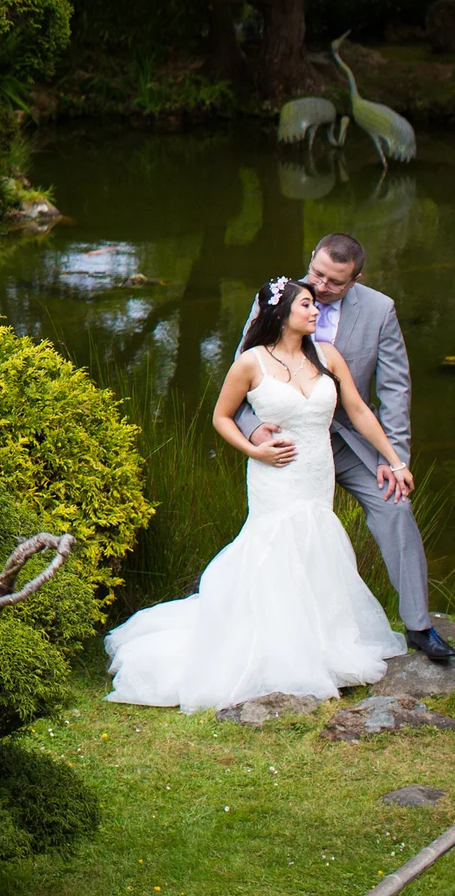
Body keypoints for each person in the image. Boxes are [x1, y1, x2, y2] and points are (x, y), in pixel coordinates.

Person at [103, 277, 407, 710]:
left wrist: (394, 460)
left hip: (317, 474)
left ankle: (321, 642)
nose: (316, 311)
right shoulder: (250, 362)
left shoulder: (326, 356)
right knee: (275, 545)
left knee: (316, 544)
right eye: (307, 304)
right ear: (283, 313)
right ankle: (275, 646)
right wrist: (254, 450)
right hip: (274, 474)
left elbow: (357, 409)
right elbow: (222, 417)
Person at [240, 233, 453, 663]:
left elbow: (393, 390)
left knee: (396, 509)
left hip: (352, 441)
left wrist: (395, 461)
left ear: (355, 280)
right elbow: (241, 373)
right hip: (289, 441)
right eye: (316, 272)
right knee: (284, 528)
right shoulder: (278, 296)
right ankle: (277, 629)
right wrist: (256, 430)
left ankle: (419, 626)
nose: (319, 286)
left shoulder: (380, 310)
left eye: (334, 281)